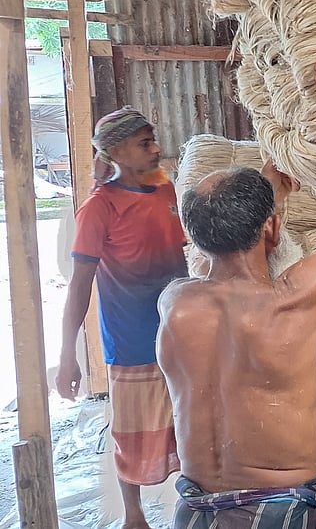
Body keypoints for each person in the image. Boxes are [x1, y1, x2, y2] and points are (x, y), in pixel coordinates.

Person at [157, 41, 316, 528]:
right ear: (272, 230)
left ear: (197, 236)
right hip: (276, 510)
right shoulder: (291, 302)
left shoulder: (175, 302)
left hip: (194, 510)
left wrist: (269, 196)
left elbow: (223, 267)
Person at [57, 106, 187, 529]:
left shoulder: (166, 191)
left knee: (188, 421)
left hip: (181, 331)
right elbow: (79, 285)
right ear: (116, 151)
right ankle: (134, 517)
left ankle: (195, 502)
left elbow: (185, 248)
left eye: (153, 139)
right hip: (131, 337)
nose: (157, 149)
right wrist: (68, 356)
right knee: (131, 430)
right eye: (145, 143)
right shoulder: (99, 208)